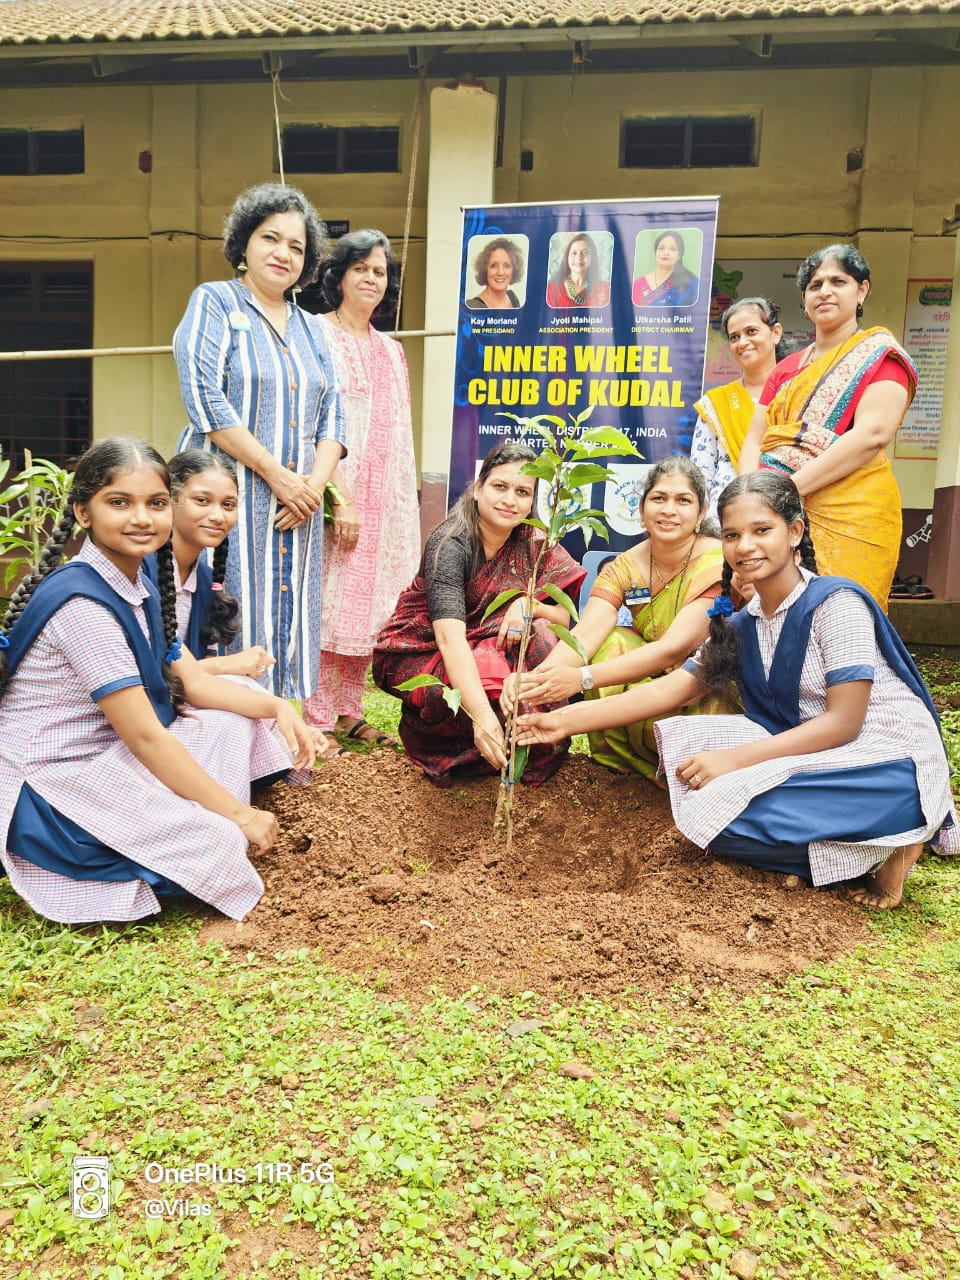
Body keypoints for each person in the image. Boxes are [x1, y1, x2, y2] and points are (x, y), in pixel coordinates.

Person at [518, 472, 959, 909]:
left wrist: (734, 760)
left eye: (762, 530)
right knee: (703, 794)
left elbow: (844, 723)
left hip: (883, 761)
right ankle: (861, 844)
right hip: (811, 743)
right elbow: (671, 690)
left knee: (723, 816)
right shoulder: (743, 622)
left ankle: (897, 838)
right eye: (732, 534)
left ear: (795, 533)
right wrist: (562, 720)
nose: (745, 546)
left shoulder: (837, 604)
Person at [0, 438, 321, 925]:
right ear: (83, 513)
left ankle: (199, 815)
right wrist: (239, 814)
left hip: (108, 752)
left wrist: (277, 708)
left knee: (228, 723)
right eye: (119, 503)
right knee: (218, 840)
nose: (141, 518)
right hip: (53, 783)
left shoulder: (139, 584)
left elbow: (189, 687)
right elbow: (146, 736)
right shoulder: (84, 605)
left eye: (154, 503)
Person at [174, 182, 348, 700]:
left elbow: (333, 415)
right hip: (226, 492)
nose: (283, 254)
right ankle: (225, 720)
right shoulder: (214, 301)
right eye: (270, 238)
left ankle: (281, 721)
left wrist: (311, 488)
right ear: (244, 243)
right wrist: (277, 475)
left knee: (290, 604)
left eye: (296, 246)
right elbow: (205, 398)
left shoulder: (313, 329)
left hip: (299, 503)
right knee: (225, 604)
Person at [372, 442, 586, 787]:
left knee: (543, 637)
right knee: (471, 682)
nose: (509, 500)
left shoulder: (534, 542)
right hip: (424, 648)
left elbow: (563, 619)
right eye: (500, 486)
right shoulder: (450, 543)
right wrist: (483, 716)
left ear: (532, 501)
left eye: (522, 492)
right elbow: (449, 638)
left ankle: (520, 751)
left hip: (491, 646)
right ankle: (457, 751)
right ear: (477, 489)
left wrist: (529, 605)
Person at [501, 457, 724, 778]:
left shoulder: (718, 563)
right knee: (611, 641)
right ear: (641, 509)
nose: (669, 510)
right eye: (659, 498)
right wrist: (533, 681)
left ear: (701, 513)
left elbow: (673, 649)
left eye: (683, 501)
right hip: (651, 675)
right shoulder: (624, 567)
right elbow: (586, 634)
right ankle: (619, 768)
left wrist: (582, 678)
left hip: (703, 685)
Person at [738, 243, 917, 611]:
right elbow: (755, 439)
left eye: (838, 281)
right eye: (815, 285)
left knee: (843, 616)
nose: (825, 292)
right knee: (775, 619)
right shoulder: (785, 370)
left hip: (852, 515)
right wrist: (748, 500)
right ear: (804, 300)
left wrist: (783, 495)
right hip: (774, 516)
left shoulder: (881, 357)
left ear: (861, 290)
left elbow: (872, 436)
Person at [300, 230, 421, 750]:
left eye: (380, 271)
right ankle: (316, 716)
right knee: (326, 602)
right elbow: (309, 422)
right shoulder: (313, 334)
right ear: (339, 276)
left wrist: (400, 508)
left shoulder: (392, 351)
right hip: (333, 492)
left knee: (367, 604)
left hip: (384, 499)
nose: (372, 279)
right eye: (361, 269)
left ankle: (350, 711)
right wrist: (337, 496)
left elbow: (401, 434)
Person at [144, 449, 276, 683]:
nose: (218, 516)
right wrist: (226, 664)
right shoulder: (139, 570)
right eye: (202, 501)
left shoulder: (205, 580)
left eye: (228, 505)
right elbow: (145, 670)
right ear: (170, 500)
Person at [691, 297, 785, 521]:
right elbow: (701, 476)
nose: (742, 342)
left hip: (783, 518)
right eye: (734, 337)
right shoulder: (716, 403)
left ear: (775, 333)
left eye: (751, 331)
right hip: (723, 525)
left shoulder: (797, 394)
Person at [632, 231, 699, 308]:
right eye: (661, 248)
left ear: (679, 255)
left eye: (672, 249)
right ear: (656, 252)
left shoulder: (691, 282)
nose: (666, 253)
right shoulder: (639, 284)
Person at [545, 233, 610, 308]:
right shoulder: (553, 290)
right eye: (574, 253)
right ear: (567, 257)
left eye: (585, 252)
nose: (579, 257)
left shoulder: (604, 289)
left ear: (592, 257)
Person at [465, 237, 524, 310]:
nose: (500, 272)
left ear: (514, 270)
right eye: (494, 266)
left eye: (507, 266)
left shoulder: (512, 298)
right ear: (485, 270)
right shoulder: (472, 306)